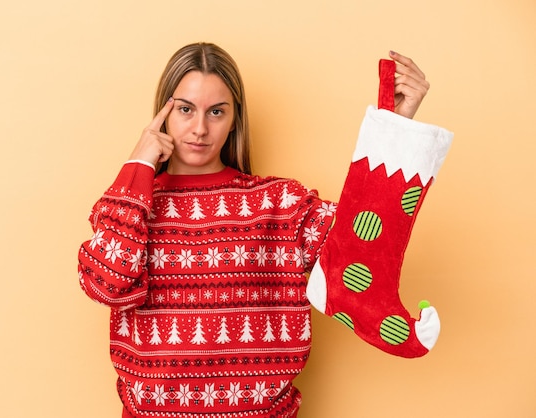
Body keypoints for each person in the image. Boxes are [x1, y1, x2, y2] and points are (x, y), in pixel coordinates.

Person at [77, 42, 453, 418]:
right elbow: (107, 283)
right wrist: (138, 164)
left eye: (217, 112)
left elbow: (361, 244)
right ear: (162, 114)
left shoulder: (280, 203)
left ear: (235, 118)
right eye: (185, 109)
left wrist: (396, 126)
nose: (200, 128)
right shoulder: (132, 206)